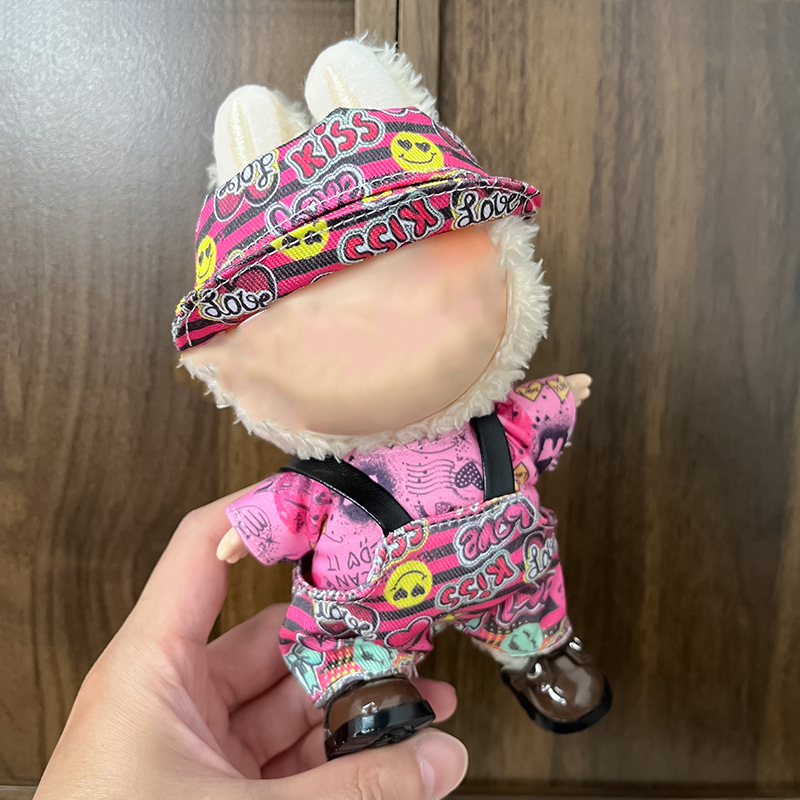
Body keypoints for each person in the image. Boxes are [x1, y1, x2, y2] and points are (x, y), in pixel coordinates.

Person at [33, 490, 468, 799]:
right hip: (360, 601)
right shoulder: (324, 477)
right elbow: (289, 502)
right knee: (345, 647)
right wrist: (256, 522)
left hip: (462, 573)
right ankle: (364, 698)